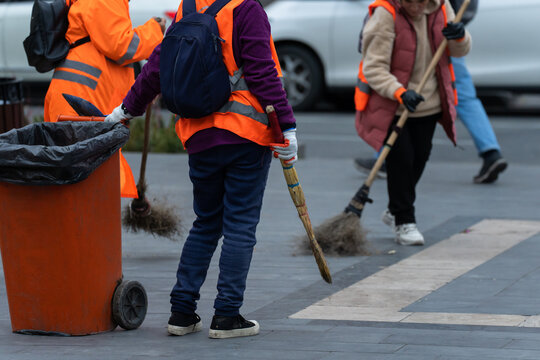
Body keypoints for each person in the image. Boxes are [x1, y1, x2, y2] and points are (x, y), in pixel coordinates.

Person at [105, 0, 297, 338]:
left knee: (207, 222)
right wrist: (287, 127)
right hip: (245, 135)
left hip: (199, 136)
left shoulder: (188, 6)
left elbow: (157, 66)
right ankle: (226, 316)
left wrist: (126, 109)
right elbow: (262, 73)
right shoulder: (246, 9)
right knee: (239, 225)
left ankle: (181, 313)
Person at [354, 0, 471, 245]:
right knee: (402, 160)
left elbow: (458, 51)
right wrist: (400, 92)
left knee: (420, 157)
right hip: (392, 105)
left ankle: (396, 207)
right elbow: (373, 67)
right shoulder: (385, 14)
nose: (419, 7)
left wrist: (460, 37)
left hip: (428, 102)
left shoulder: (441, 7)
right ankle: (404, 220)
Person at [355, 0, 507, 184]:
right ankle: (490, 151)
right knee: (463, 96)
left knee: (403, 91)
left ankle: (386, 158)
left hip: (433, 29)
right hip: (437, 27)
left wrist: (452, 27)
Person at [43, 0, 166, 197]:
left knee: (82, 180)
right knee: (87, 183)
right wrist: (154, 31)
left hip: (79, 94)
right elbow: (121, 46)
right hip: (81, 98)